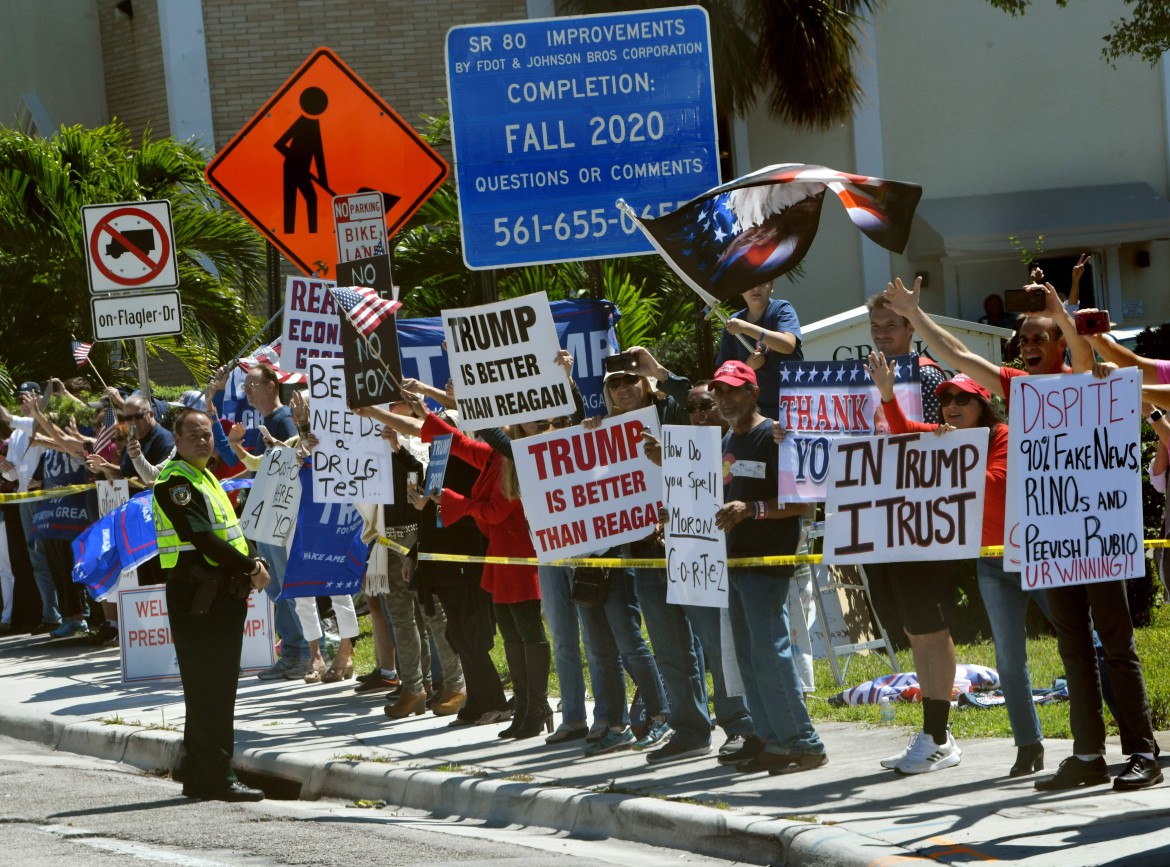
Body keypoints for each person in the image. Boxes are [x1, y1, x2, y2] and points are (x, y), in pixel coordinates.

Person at [884, 276, 1162, 792]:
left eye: (1040, 336)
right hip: (1050, 540)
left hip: (1099, 535)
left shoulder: (1089, 379)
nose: (1028, 345)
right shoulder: (1020, 389)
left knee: (1117, 647)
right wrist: (918, 317)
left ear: (1060, 341)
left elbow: (1083, 355)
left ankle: (1142, 751)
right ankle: (1087, 755)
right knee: (1073, 649)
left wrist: (1060, 308)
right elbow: (962, 355)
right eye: (1023, 340)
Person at [868, 353, 1049, 775]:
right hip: (991, 564)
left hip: (1032, 554)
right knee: (1008, 660)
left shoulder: (1002, 436)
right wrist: (888, 394)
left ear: (982, 406)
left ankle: (1120, 733)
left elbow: (999, 486)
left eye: (962, 399)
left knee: (1083, 644)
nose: (951, 405)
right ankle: (1028, 747)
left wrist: (952, 457)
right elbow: (903, 430)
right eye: (946, 397)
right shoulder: (951, 437)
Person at [710, 360, 827, 775]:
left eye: (733, 391)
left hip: (767, 564)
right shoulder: (727, 441)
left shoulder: (775, 435)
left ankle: (805, 742)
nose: (725, 400)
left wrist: (753, 509)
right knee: (749, 658)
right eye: (719, 393)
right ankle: (775, 742)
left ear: (753, 392)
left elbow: (804, 503)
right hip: (735, 563)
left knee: (772, 656)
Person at [638, 380, 760, 766]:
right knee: (672, 650)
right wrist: (668, 519)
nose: (702, 414)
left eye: (708, 405)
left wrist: (670, 461)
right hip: (680, 558)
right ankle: (690, 729)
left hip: (717, 565)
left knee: (718, 647)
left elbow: (739, 483)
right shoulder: (680, 452)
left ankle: (739, 724)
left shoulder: (734, 444)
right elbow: (689, 498)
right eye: (694, 409)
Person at [153, 407, 269, 802]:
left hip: (220, 593)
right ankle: (217, 776)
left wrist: (253, 556)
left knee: (216, 686)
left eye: (207, 434)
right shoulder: (174, 481)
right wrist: (250, 564)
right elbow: (202, 537)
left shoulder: (206, 477)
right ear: (177, 440)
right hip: (197, 596)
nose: (203, 440)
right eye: (194, 435)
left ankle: (200, 775)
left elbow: (231, 529)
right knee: (210, 688)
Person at [238, 364, 310, 680]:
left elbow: (296, 462)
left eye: (251, 385)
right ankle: (294, 652)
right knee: (277, 586)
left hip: (281, 517)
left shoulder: (281, 421)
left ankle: (302, 653)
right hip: (268, 517)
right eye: (244, 387)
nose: (246, 392)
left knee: (286, 585)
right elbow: (259, 467)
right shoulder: (270, 422)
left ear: (271, 385)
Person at [1, 384, 57, 633]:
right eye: (20, 399)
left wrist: (10, 418)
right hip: (24, 500)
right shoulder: (15, 435)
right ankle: (50, 614)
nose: (24, 402)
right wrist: (4, 467)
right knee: (36, 560)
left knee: (53, 556)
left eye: (28, 398)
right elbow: (13, 472)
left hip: (45, 500)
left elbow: (37, 429)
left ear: (38, 398)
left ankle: (65, 614)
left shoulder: (43, 423)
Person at [716, 279, 803, 420]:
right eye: (749, 284)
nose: (755, 288)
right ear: (741, 290)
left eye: (762, 283)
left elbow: (788, 345)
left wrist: (747, 328)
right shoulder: (734, 322)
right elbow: (725, 375)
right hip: (756, 412)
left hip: (794, 406)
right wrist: (749, 366)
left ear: (772, 286)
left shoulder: (782, 309)